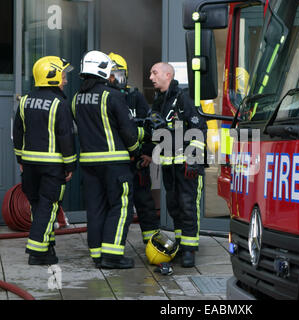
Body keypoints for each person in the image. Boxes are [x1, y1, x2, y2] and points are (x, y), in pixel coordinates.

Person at [72, 50, 139, 269]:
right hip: (115, 163)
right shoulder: (113, 96)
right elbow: (129, 132)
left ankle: (98, 255)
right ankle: (113, 255)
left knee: (95, 208)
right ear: (102, 69)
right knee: (121, 206)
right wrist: (136, 148)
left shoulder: (76, 99)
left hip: (89, 165)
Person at [13, 56, 76, 265]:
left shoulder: (24, 101)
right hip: (52, 165)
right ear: (52, 76)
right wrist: (70, 164)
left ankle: (47, 248)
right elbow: (65, 136)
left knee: (37, 205)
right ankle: (37, 251)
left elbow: (18, 133)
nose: (65, 80)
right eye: (63, 75)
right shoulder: (60, 103)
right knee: (48, 206)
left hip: (29, 165)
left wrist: (20, 159)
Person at [149, 62, 207, 268]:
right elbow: (159, 137)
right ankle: (182, 244)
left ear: (168, 74)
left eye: (154, 73)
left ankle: (190, 250)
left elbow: (199, 129)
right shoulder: (158, 102)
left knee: (188, 207)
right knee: (174, 207)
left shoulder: (183, 98)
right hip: (169, 166)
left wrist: (193, 160)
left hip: (186, 166)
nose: (151, 77)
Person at [107, 52, 160, 244]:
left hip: (137, 162)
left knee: (144, 203)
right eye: (111, 74)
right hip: (115, 162)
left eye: (118, 74)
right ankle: (112, 244)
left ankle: (153, 243)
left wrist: (146, 152)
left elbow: (150, 126)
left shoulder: (134, 96)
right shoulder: (104, 97)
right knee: (117, 206)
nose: (115, 79)